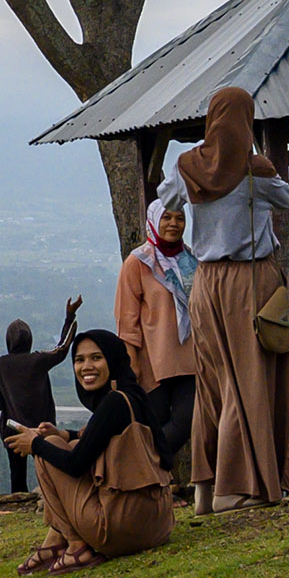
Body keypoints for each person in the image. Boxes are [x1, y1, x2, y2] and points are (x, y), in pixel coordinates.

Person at [163, 85, 289, 512]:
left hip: (206, 284)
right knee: (249, 384)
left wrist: (197, 168)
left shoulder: (188, 166)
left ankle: (205, 491)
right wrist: (254, 158)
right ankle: (237, 488)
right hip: (248, 281)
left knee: (213, 384)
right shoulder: (254, 171)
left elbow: (167, 199)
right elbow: (285, 198)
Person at [2, 330, 176, 570]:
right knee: (65, 443)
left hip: (120, 531)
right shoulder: (132, 395)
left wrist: (35, 445)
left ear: (112, 359)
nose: (86, 366)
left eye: (96, 358)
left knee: (48, 449)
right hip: (158, 525)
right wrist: (65, 434)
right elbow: (99, 436)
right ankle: (54, 541)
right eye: (79, 360)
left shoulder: (114, 402)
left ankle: (76, 546)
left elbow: (75, 465)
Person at [112, 195, 195, 462]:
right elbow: (127, 317)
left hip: (190, 357)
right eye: (167, 217)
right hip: (153, 359)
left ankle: (143, 469)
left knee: (186, 421)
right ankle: (149, 481)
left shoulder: (192, 260)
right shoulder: (138, 262)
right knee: (155, 423)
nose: (174, 224)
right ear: (153, 221)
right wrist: (131, 359)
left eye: (179, 218)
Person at [0, 309, 76, 493]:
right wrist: (69, 318)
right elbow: (63, 348)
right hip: (42, 428)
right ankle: (50, 503)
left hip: (12, 428)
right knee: (47, 471)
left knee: (17, 475)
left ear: (8, 341)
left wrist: (10, 400)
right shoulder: (37, 360)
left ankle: (19, 504)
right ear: (29, 340)